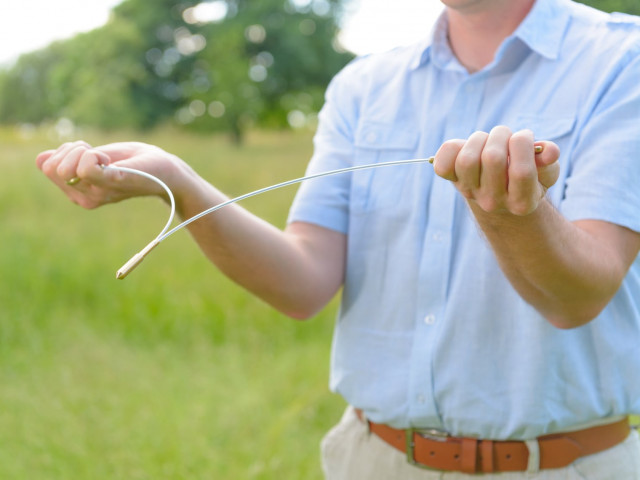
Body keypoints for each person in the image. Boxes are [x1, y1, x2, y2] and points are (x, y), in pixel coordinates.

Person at [37, 0, 640, 477]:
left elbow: (576, 297)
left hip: (563, 468)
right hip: (370, 461)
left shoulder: (623, 58)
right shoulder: (362, 86)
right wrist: (180, 183)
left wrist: (512, 214)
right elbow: (302, 283)